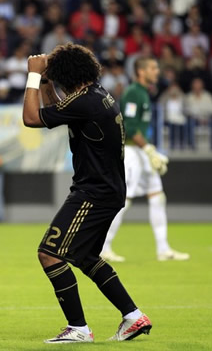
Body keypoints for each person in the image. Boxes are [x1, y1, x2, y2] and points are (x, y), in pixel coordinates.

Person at [22, 43, 152, 343]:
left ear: (65, 76)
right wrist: (44, 81)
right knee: (86, 257)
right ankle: (133, 316)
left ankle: (78, 328)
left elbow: (32, 118)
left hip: (93, 193)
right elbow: (54, 109)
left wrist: (32, 76)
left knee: (49, 254)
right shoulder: (96, 95)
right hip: (108, 190)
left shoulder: (85, 102)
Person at [101, 56, 189, 262]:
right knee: (124, 201)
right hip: (132, 153)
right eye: (153, 67)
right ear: (141, 72)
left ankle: (163, 249)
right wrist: (149, 149)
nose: (156, 71)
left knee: (157, 197)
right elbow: (130, 127)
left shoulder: (143, 93)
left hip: (142, 151)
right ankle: (103, 247)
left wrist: (149, 150)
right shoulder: (133, 93)